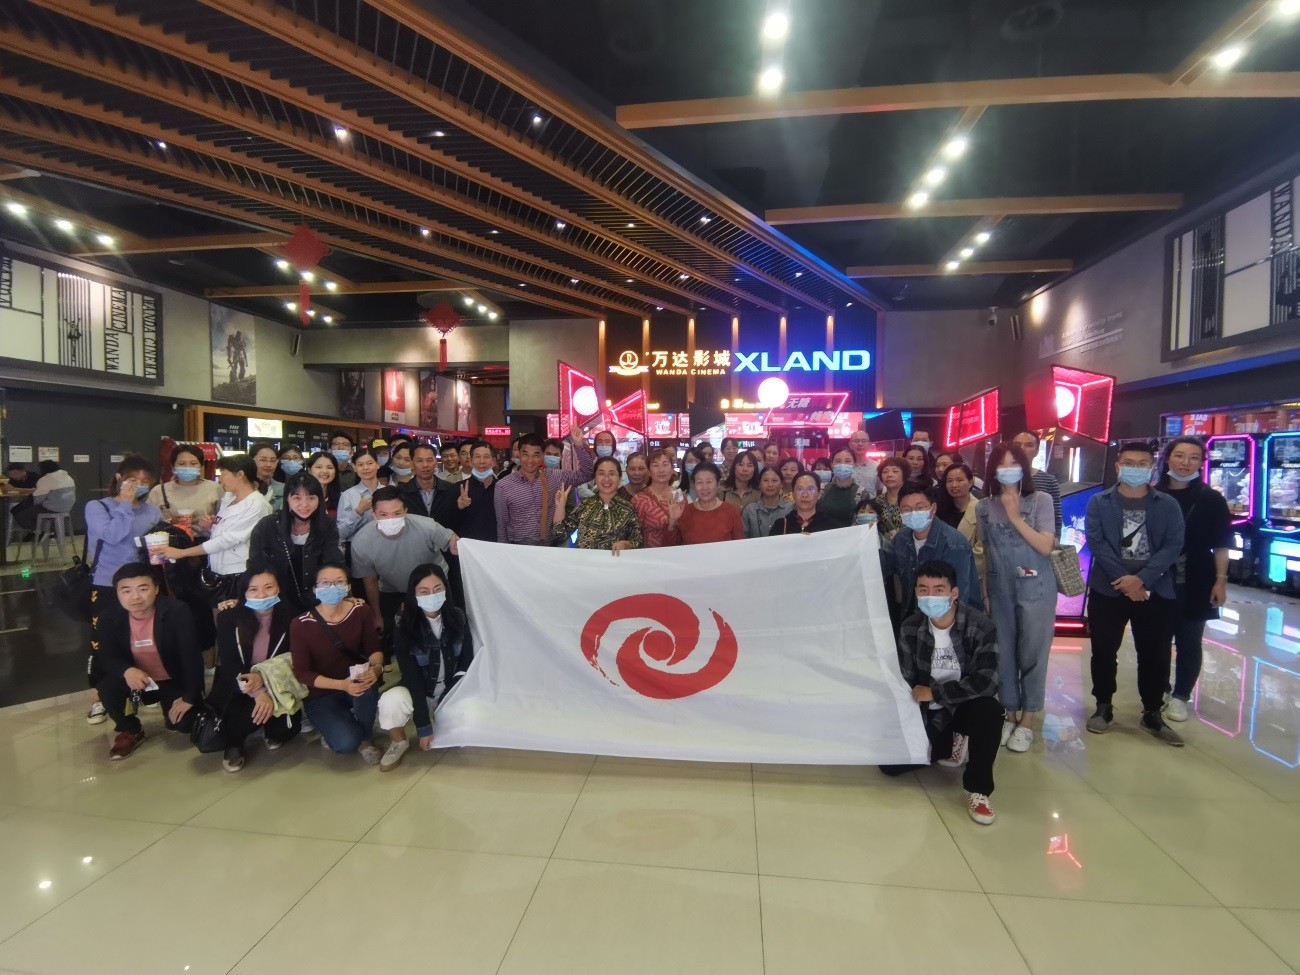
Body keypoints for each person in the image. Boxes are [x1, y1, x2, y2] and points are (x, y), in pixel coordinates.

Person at [879, 560, 1002, 826]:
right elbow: (906, 680)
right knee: (889, 766)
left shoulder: (980, 626)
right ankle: (949, 742)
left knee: (991, 711)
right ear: (916, 592)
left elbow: (986, 683)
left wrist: (936, 693)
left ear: (953, 593)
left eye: (938, 589)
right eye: (923, 589)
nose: (930, 596)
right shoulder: (911, 627)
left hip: (965, 704)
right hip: (931, 711)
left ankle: (978, 789)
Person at [1084, 441, 1185, 745]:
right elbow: (1097, 542)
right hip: (1108, 589)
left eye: (1142, 464)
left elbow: (1173, 545)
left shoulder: (1167, 504)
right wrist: (1126, 580)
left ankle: (1152, 711)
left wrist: (1142, 580)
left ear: (1152, 468)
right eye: (1129, 462)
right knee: (1104, 650)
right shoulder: (1099, 502)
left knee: (1155, 653)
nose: (1135, 468)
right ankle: (1103, 705)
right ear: (1118, 466)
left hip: (1154, 590)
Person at [976, 443, 1057, 753]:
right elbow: (986, 551)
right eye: (1002, 463)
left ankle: (1028, 719)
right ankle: (1009, 713)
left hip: (1036, 589)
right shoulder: (984, 507)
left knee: (1033, 653)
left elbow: (1045, 546)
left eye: (1014, 462)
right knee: (1003, 653)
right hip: (1000, 589)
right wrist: (985, 591)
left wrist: (1016, 517)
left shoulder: (1040, 501)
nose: (1008, 468)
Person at [1157, 437, 1233, 723]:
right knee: (1156, 639)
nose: (1185, 463)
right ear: (1168, 458)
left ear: (1201, 462)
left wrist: (1220, 580)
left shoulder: (1211, 499)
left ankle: (1180, 696)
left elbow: (1222, 544)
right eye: (1179, 456)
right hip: (1157, 578)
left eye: (1193, 457)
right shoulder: (1153, 495)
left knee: (1189, 641)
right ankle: (1160, 689)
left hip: (1197, 578)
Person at [95, 562, 204, 761]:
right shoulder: (108, 617)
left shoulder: (177, 611)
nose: (135, 597)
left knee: (184, 724)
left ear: (156, 589)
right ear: (117, 593)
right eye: (126, 591)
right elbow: (107, 656)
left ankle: (169, 710)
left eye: (143, 589)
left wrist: (190, 696)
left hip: (171, 678)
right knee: (107, 685)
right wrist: (126, 670)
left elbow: (191, 657)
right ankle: (130, 728)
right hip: (136, 681)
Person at [83, 455, 161, 726]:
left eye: (145, 481)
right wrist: (126, 504)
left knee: (142, 638)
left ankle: (142, 686)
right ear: (119, 478)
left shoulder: (152, 512)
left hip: (143, 585)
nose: (139, 485)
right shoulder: (98, 507)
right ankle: (99, 696)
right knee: (102, 639)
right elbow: (112, 535)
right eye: (132, 479)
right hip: (107, 584)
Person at [376, 564, 470, 771]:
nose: (432, 596)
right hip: (421, 690)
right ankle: (399, 742)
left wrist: (450, 696)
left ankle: (446, 719)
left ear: (445, 589)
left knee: (473, 723)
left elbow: (466, 661)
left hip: (451, 689)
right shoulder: (404, 627)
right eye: (424, 591)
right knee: (390, 702)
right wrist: (423, 726)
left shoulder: (458, 618)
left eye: (437, 589)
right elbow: (413, 678)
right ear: (414, 594)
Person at [209, 566, 301, 772]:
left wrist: (266, 684)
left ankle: (269, 727)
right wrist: (258, 692)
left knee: (285, 731)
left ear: (279, 588)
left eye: (268, 587)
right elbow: (230, 663)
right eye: (253, 589)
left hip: (275, 683)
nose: (261, 595)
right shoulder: (228, 618)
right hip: (239, 683)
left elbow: (293, 658)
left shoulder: (292, 616)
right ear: (244, 592)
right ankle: (235, 743)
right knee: (237, 722)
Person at [290, 562, 383, 763]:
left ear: (348, 587)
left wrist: (376, 668)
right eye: (325, 583)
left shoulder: (360, 611)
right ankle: (340, 726)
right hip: (321, 694)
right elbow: (302, 673)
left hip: (357, 682)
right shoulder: (300, 624)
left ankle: (366, 739)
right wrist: (342, 685)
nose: (332, 587)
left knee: (366, 687)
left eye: (339, 582)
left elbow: (373, 649)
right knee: (346, 743)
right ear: (315, 589)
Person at [157, 454, 272, 603]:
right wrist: (210, 528)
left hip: (238, 571)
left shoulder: (257, 504)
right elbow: (222, 534)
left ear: (240, 474)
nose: (221, 480)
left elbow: (228, 540)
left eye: (223, 474)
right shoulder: (229, 499)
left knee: (232, 613)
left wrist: (182, 553)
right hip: (219, 570)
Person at [350, 487, 458, 645]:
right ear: (374, 514)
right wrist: (377, 615)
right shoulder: (361, 541)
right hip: (392, 588)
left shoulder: (427, 526)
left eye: (397, 513)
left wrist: (457, 544)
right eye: (384, 514)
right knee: (391, 633)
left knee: (444, 629)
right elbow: (370, 581)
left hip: (432, 586)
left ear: (405, 511)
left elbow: (452, 541)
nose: (391, 519)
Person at [248, 471, 344, 615]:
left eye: (311, 498)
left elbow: (334, 563)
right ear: (287, 499)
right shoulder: (267, 526)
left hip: (317, 601)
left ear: (319, 499)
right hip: (276, 601)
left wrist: (345, 595)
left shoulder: (327, 526)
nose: (304, 504)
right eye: (297, 498)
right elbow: (254, 567)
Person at [891, 482, 981, 619]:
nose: (913, 513)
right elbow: (884, 562)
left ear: (933, 508)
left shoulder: (953, 544)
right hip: (914, 618)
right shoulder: (901, 538)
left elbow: (961, 594)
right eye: (907, 509)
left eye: (920, 508)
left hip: (950, 618)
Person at [494, 429, 594, 544]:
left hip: (550, 547)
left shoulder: (555, 476)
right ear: (519, 454)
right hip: (518, 548)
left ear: (542, 456)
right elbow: (502, 526)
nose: (530, 460)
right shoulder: (503, 486)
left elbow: (587, 473)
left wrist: (579, 444)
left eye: (536, 455)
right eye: (525, 454)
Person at [552, 457, 643, 553]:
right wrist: (560, 506)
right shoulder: (585, 504)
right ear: (595, 478)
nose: (606, 478)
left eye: (612, 474)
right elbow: (560, 535)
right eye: (601, 473)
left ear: (619, 478)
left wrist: (625, 544)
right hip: (585, 560)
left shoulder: (627, 509)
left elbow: (638, 542)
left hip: (613, 561)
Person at [664, 462, 744, 544]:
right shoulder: (684, 511)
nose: (705, 487)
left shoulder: (731, 511)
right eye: (699, 482)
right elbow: (671, 547)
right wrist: (673, 522)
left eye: (709, 482)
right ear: (694, 485)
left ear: (718, 484)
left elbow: (739, 545)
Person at [148, 444, 222, 525]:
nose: (187, 467)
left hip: (207, 533)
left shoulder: (215, 488)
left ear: (201, 465)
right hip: (170, 533)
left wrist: (210, 522)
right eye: (181, 464)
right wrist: (170, 521)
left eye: (193, 463)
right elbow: (148, 521)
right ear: (173, 466)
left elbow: (225, 518)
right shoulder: (159, 491)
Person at [1012, 430, 1062, 537]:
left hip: (1039, 541)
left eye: (1029, 445)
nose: (1022, 448)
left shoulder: (1049, 480)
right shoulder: (1000, 478)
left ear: (1037, 452)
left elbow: (1056, 520)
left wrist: (1053, 543)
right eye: (1017, 445)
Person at [337, 446, 388, 542]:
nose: (366, 468)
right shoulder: (347, 495)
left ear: (377, 464)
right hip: (356, 546)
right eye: (360, 465)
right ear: (354, 467)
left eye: (370, 463)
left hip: (386, 545)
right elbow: (341, 533)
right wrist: (358, 511)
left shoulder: (388, 492)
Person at [630, 448, 679, 548]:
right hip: (650, 553)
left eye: (665, 464)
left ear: (672, 469)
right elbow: (634, 535)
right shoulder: (640, 500)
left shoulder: (678, 494)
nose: (661, 470)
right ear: (649, 471)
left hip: (678, 551)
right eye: (656, 465)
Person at [453, 440, 500, 542]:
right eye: (477, 457)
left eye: (486, 457)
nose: (482, 461)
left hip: (498, 546)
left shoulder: (503, 487)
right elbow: (447, 523)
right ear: (470, 461)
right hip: (469, 547)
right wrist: (459, 508)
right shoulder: (458, 488)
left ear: (493, 461)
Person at [12, 459, 76, 530]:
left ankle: (41, 531)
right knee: (28, 510)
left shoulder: (46, 478)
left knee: (21, 515)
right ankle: (47, 530)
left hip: (51, 508)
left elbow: (37, 499)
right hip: (67, 508)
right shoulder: (68, 477)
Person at [402, 443, 458, 524]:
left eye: (429, 460)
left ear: (436, 463)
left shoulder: (450, 489)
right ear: (412, 464)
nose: (425, 465)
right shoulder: (402, 492)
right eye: (419, 461)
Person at [771, 471, 840, 535]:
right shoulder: (780, 525)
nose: (805, 495)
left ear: (819, 494)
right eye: (799, 489)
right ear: (793, 494)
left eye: (811, 489)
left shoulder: (832, 527)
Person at [743, 466, 792, 538]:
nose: (770, 484)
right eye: (766, 480)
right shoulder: (750, 510)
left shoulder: (790, 508)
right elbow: (744, 538)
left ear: (781, 484)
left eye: (774, 480)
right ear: (759, 484)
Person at [817, 448, 861, 528]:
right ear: (832, 465)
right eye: (838, 461)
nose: (842, 465)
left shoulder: (861, 493)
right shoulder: (821, 490)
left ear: (854, 464)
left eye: (847, 461)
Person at [936, 463, 979, 546]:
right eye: (949, 481)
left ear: (970, 482)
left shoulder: (979, 509)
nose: (954, 485)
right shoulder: (940, 507)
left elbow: (982, 547)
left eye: (959, 480)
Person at [577, 430, 620, 500]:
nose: (603, 445)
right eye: (600, 442)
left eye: (607, 442)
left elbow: (621, 487)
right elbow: (582, 490)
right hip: (590, 503)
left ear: (613, 445)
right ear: (595, 445)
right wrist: (598, 499)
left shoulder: (620, 466)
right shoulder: (587, 465)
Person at [875, 457, 908, 540]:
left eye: (895, 471)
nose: (889, 475)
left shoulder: (912, 499)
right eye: (885, 472)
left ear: (904, 475)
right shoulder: (877, 501)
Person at [249, 442, 285, 513]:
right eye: (263, 460)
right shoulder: (240, 489)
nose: (268, 465)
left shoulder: (284, 489)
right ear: (250, 461)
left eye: (273, 460)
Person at [306, 450, 341, 518]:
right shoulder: (300, 496)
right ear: (309, 470)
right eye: (319, 467)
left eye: (329, 467)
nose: (325, 471)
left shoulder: (342, 498)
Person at [848, 429, 880, 495]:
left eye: (863, 441)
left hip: (871, 501)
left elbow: (880, 489)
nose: (860, 444)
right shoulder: (844, 467)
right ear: (850, 444)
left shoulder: (877, 466)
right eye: (856, 441)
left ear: (869, 444)